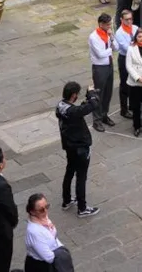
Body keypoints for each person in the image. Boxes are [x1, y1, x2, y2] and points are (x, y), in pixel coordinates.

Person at [54, 81, 99, 217]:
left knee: (69, 172)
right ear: (73, 95)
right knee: (81, 177)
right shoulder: (74, 111)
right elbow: (93, 105)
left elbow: (80, 110)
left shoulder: (60, 106)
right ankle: (82, 208)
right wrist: (91, 94)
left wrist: (86, 101)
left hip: (69, 146)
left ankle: (67, 200)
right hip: (80, 147)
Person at [24, 193, 73, 272]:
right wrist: (61, 253)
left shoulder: (41, 216)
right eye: (41, 210)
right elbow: (49, 258)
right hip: (43, 266)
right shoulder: (34, 232)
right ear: (32, 212)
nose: (45, 211)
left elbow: (53, 236)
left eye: (47, 207)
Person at [89, 14, 115, 132]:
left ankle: (104, 114)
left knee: (108, 92)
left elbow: (116, 47)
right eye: (108, 24)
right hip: (99, 67)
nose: (110, 26)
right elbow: (100, 54)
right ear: (101, 24)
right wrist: (110, 49)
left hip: (109, 65)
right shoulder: (94, 37)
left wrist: (112, 38)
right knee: (99, 94)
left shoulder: (108, 35)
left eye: (110, 24)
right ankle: (97, 120)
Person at [115, 9, 136, 118]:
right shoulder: (119, 33)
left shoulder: (135, 28)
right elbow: (126, 48)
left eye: (130, 19)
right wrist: (136, 46)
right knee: (124, 84)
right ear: (121, 20)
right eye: (127, 19)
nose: (129, 21)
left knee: (134, 82)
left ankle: (132, 105)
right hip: (125, 58)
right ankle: (124, 109)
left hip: (135, 58)